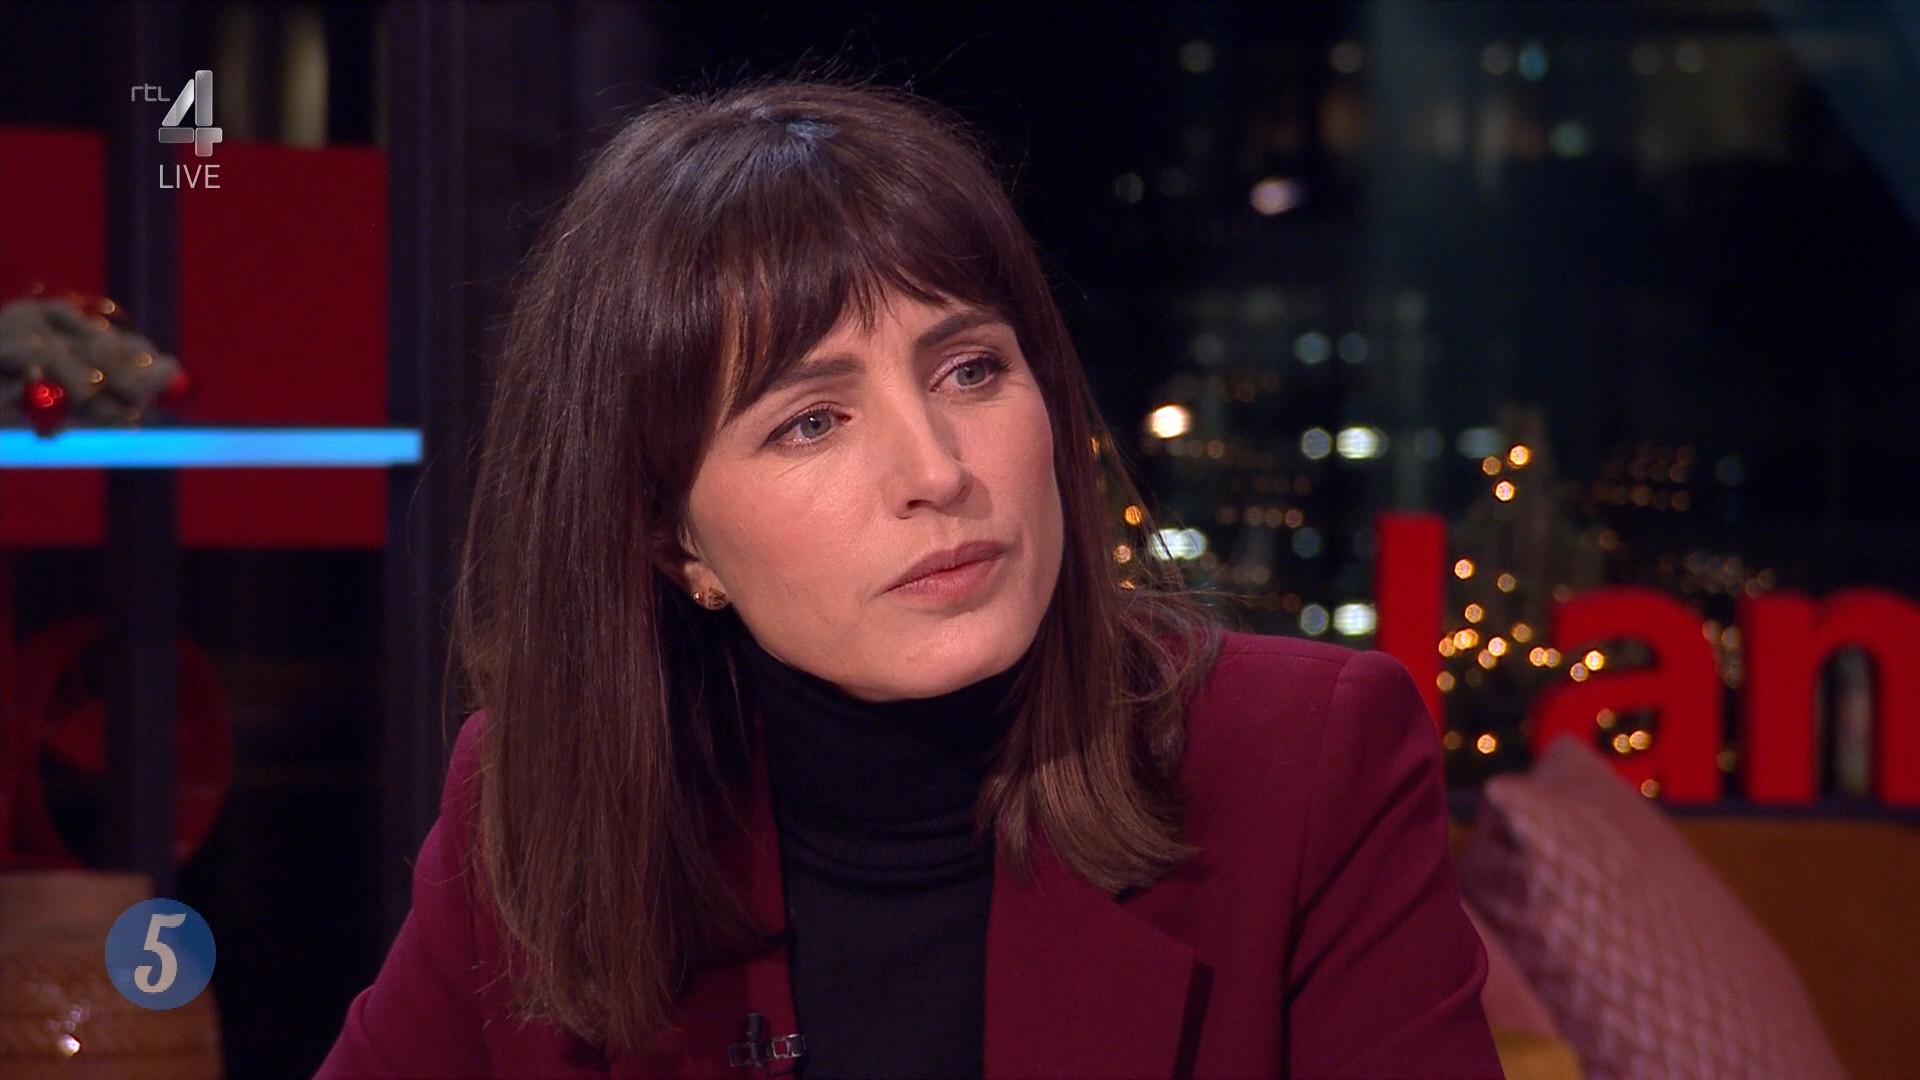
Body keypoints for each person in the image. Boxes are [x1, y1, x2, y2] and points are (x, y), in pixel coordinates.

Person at [317, 75, 1502, 1080]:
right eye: (811, 422)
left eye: (971, 370)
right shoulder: (542, 803)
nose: (936, 471)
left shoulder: (1309, 764)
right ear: (673, 543)